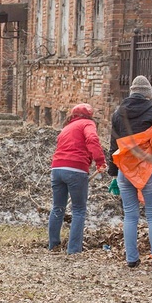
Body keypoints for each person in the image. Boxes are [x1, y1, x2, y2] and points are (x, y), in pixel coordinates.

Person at [108, 75, 152, 269]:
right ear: (148, 94)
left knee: (130, 215)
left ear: (132, 92)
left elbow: (113, 145)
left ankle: (132, 259)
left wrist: (113, 172)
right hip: (147, 168)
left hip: (125, 170)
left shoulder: (118, 113)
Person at [48, 103, 107, 254]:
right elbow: (92, 139)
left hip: (57, 168)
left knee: (57, 207)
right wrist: (100, 161)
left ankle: (53, 245)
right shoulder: (88, 123)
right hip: (76, 169)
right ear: (89, 115)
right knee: (79, 210)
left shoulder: (66, 127)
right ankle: (73, 249)